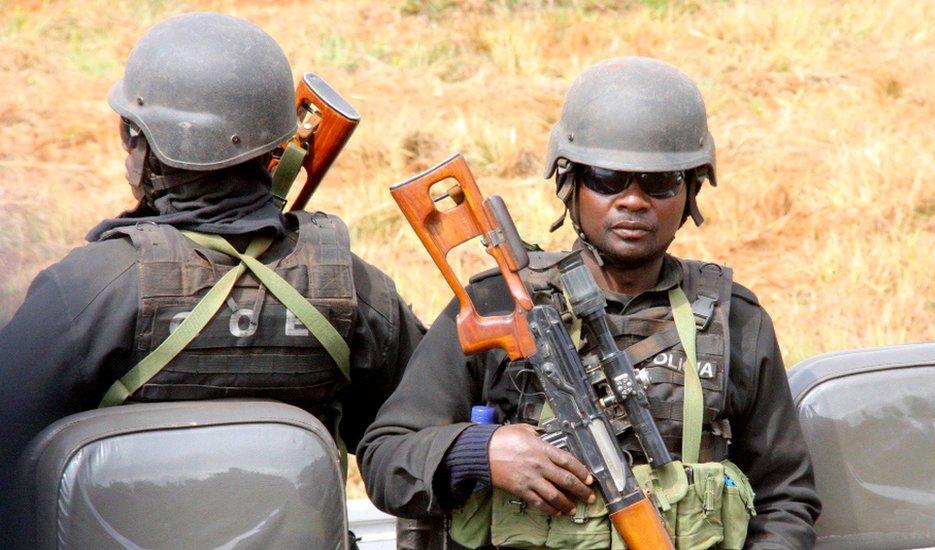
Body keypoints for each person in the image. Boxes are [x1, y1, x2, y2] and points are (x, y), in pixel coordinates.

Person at [358, 57, 820, 549]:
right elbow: (387, 459)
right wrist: (484, 452)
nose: (634, 201)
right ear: (570, 183)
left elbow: (785, 500)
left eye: (660, 182)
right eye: (607, 178)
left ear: (690, 192)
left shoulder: (735, 322)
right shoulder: (498, 306)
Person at [0, 11, 425, 537]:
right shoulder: (351, 289)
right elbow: (418, 440)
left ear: (142, 148)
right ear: (275, 151)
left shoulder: (88, 290)